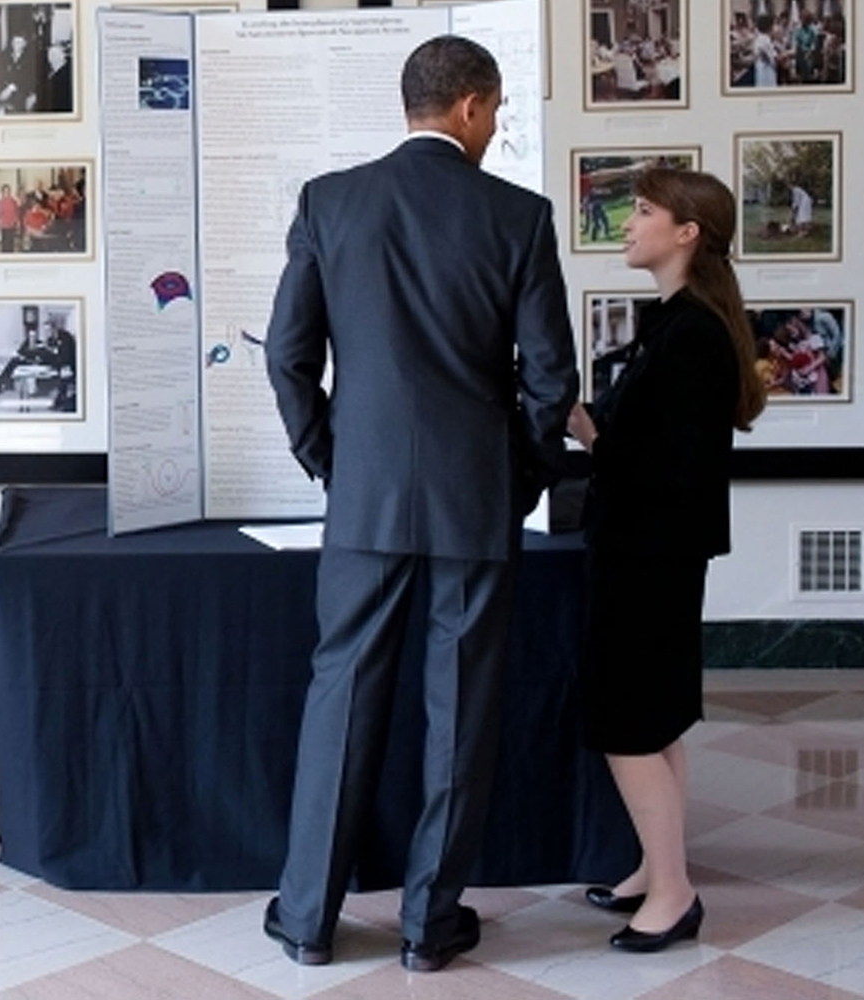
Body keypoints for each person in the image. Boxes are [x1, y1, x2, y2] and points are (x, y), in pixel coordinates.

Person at [263, 34, 577, 972]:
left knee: (341, 697)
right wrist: (517, 475)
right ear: (471, 106)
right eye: (498, 110)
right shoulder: (518, 216)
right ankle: (428, 927)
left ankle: (308, 920)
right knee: (461, 709)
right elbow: (551, 380)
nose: (496, 125)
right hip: (474, 499)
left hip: (365, 497)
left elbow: (287, 356)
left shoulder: (331, 201)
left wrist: (330, 459)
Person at [567, 168, 765, 953]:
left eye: (644, 211)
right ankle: (660, 868)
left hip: (647, 555)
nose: (627, 221)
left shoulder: (690, 336)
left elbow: (657, 466)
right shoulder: (684, 325)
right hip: (655, 552)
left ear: (687, 233)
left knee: (628, 725)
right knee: (656, 720)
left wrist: (587, 432)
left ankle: (675, 895)